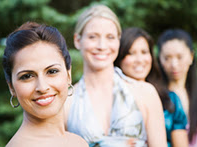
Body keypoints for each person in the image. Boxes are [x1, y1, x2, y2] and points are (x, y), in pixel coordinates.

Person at [64, 4, 167, 147]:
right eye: (93, 37)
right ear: (77, 40)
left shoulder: (145, 93)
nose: (102, 45)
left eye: (110, 37)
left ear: (118, 41)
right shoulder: (66, 102)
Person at [2, 21, 88, 147]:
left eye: (52, 71)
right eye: (27, 76)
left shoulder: (78, 142)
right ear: (11, 87)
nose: (42, 87)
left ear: (68, 75)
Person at [114, 27, 188, 147]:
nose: (139, 60)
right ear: (120, 58)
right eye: (131, 53)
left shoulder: (170, 100)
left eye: (144, 52)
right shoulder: (111, 99)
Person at [157, 29, 197, 147]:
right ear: (160, 59)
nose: (174, 64)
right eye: (167, 58)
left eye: (179, 57)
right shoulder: (156, 97)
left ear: (191, 56)